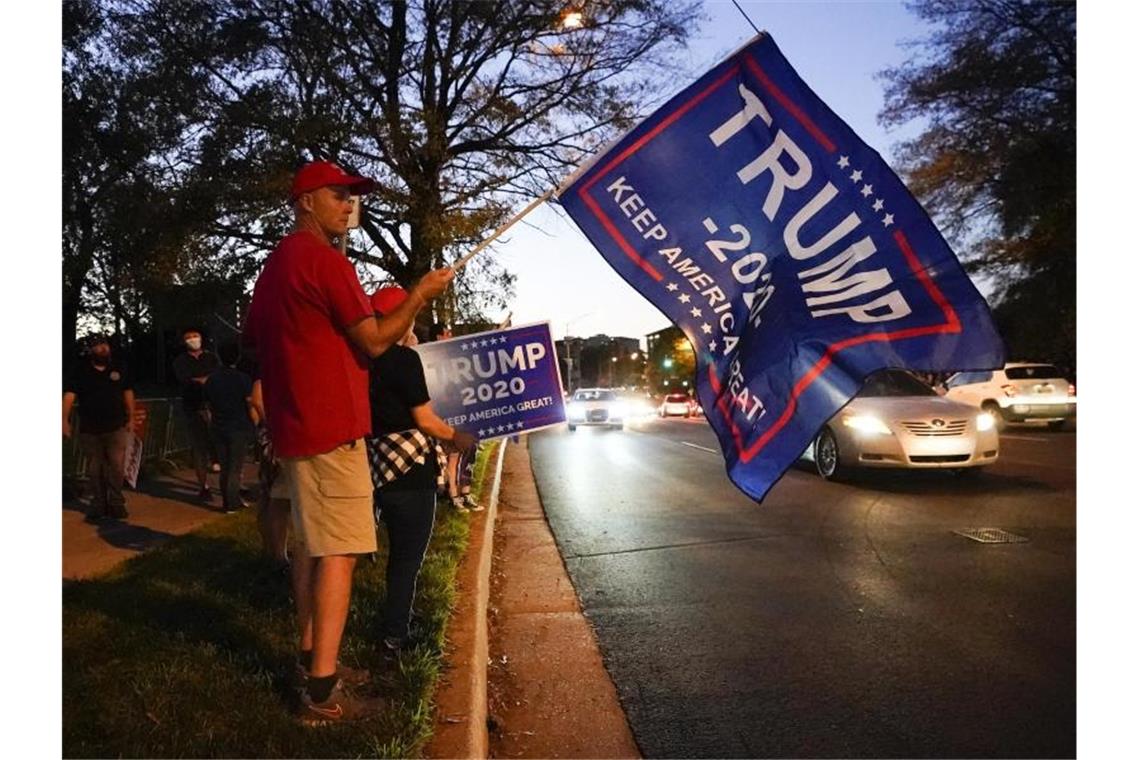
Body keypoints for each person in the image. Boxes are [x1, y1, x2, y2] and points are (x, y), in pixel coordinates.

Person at [243, 160, 454, 724]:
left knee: (313, 545)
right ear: (305, 201)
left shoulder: (277, 265)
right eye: (337, 195)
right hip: (331, 427)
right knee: (340, 551)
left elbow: (256, 336)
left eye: (353, 197)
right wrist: (420, 293)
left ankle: (313, 655)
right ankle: (320, 692)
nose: (349, 204)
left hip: (294, 427)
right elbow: (378, 339)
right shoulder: (326, 261)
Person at [366, 288, 477, 652]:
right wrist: (456, 436)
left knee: (397, 551)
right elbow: (425, 419)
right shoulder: (403, 360)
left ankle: (398, 616)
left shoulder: (360, 360)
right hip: (412, 470)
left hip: (378, 464)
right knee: (407, 556)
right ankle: (396, 633)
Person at [62, 334, 135, 520]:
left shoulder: (119, 367)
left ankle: (116, 502)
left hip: (116, 424)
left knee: (116, 466)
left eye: (105, 345)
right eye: (97, 346)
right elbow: (70, 396)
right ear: (91, 350)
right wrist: (64, 419)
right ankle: (98, 503)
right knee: (94, 468)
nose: (103, 348)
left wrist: (131, 417)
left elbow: (128, 392)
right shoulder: (79, 370)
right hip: (90, 427)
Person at [203, 342, 255, 514]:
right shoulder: (243, 378)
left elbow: (208, 403)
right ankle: (232, 502)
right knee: (235, 467)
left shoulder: (212, 379)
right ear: (237, 357)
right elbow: (249, 403)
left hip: (219, 426)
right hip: (238, 426)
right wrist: (254, 421)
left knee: (225, 466)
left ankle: (227, 499)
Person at [172, 327, 220, 501]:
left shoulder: (211, 358)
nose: (193, 339)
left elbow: (217, 377)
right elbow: (187, 380)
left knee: (220, 443)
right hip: (193, 408)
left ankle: (229, 482)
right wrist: (203, 380)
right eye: (189, 337)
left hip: (215, 407)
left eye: (196, 336)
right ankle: (203, 486)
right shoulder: (180, 361)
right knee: (199, 448)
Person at [250, 377, 291, 570]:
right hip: (278, 443)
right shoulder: (266, 382)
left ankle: (272, 549)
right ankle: (277, 553)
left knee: (270, 499)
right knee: (278, 500)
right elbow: (257, 402)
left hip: (273, 440)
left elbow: (255, 405)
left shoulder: (265, 381)